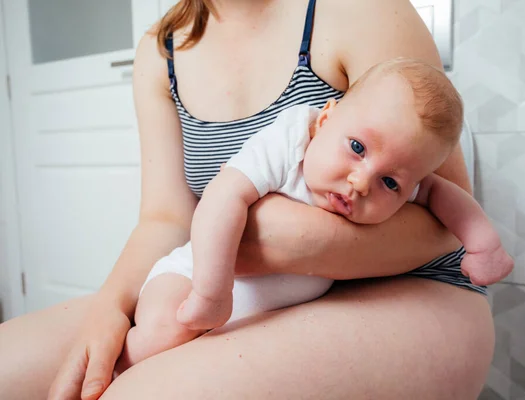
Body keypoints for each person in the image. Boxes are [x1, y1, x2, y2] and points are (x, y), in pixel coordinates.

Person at [0, 1, 497, 399]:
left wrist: (287, 239)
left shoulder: (358, 9)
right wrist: (110, 307)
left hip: (407, 287)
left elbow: (444, 220)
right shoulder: (160, 51)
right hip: (239, 284)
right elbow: (166, 217)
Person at [115, 58, 513, 373]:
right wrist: (210, 291)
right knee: (167, 333)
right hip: (189, 279)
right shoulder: (291, 140)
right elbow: (222, 197)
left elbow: (444, 194)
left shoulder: (402, 176)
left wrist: (484, 244)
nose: (360, 182)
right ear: (325, 120)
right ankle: (120, 367)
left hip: (263, 312)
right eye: (357, 147)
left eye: (390, 183)